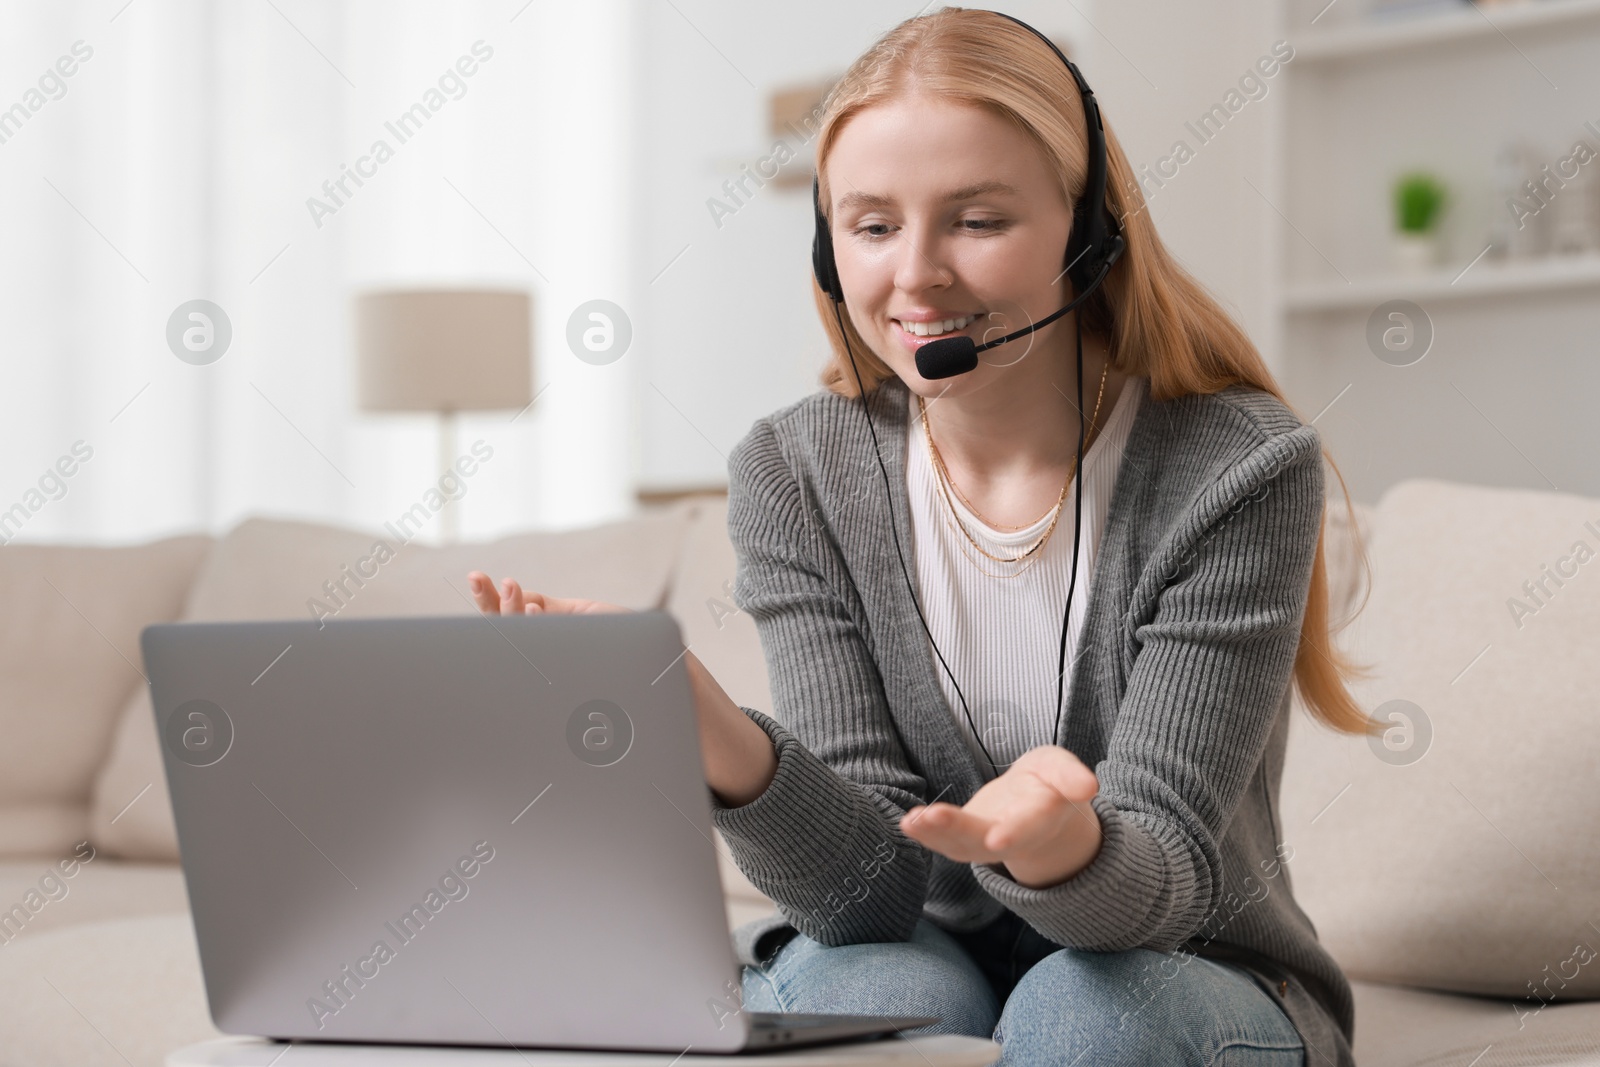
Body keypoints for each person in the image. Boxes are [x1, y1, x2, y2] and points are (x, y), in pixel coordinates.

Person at [470, 8, 1375, 1064]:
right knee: (870, 988)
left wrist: (1062, 846)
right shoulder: (796, 472)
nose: (915, 276)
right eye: (870, 225)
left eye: (977, 221)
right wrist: (711, 730)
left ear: (1087, 232)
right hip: (919, 943)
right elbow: (864, 894)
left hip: (1189, 962)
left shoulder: (1235, 466)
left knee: (1079, 1011)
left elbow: (1164, 880)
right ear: (826, 243)